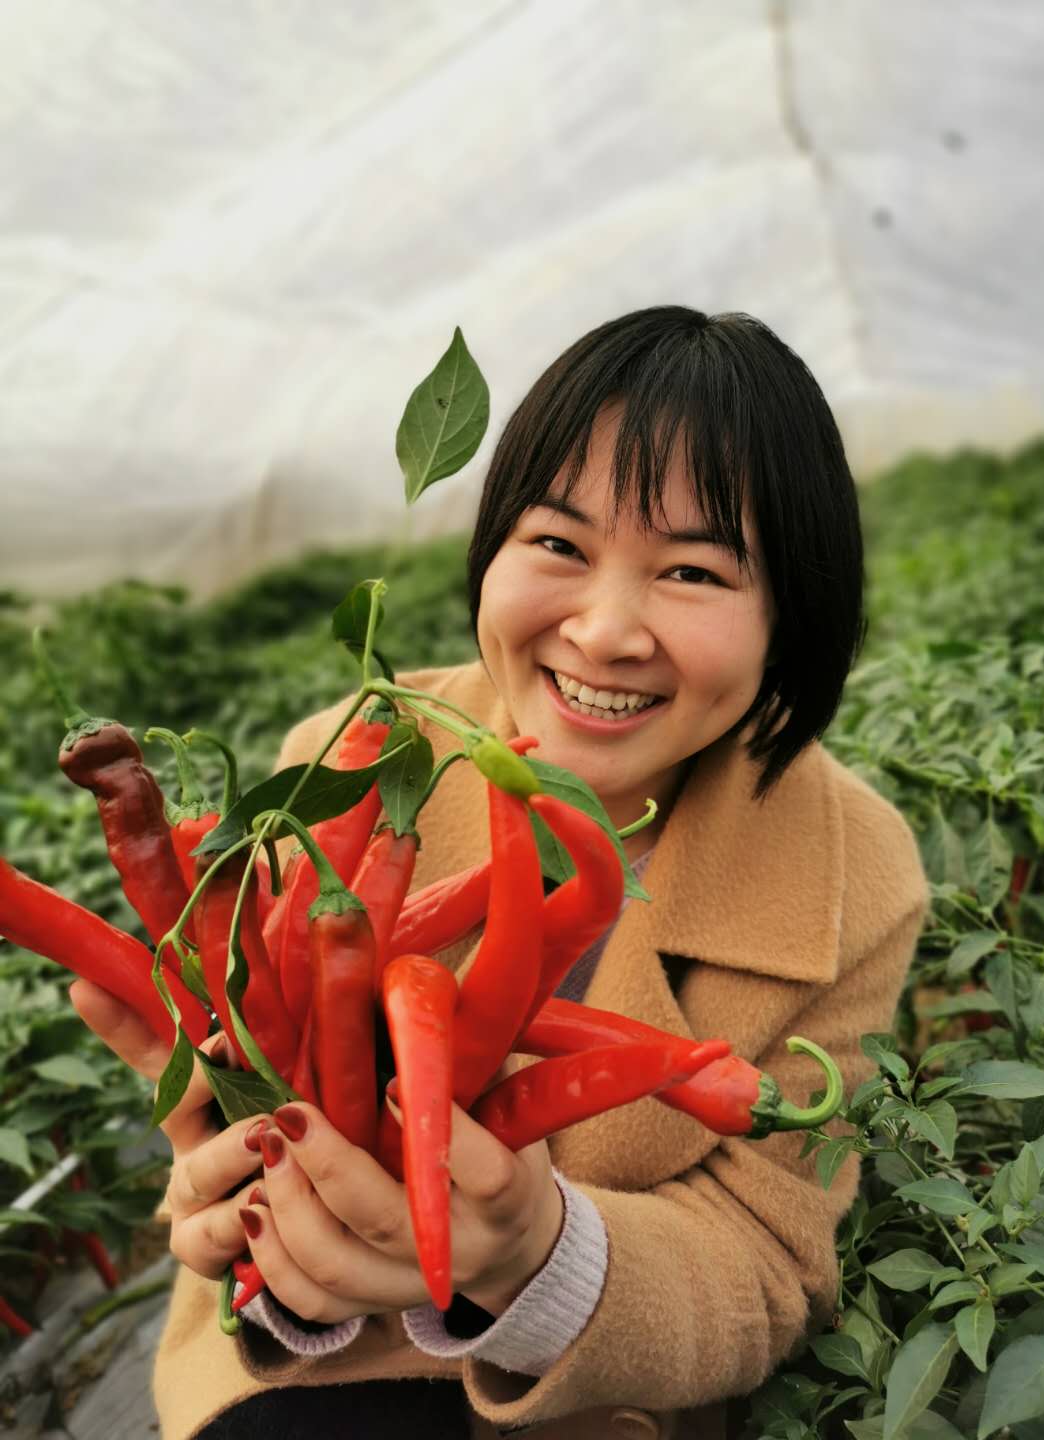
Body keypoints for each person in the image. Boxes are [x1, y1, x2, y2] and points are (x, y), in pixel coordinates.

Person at [69, 307, 928, 1440]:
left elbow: (771, 1264)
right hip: (321, 1376)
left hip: (590, 1395)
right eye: (559, 545)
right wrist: (247, 1216)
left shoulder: (853, 870)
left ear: (790, 613)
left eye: (692, 570)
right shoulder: (349, 761)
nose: (606, 629)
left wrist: (535, 1252)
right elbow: (259, 1086)